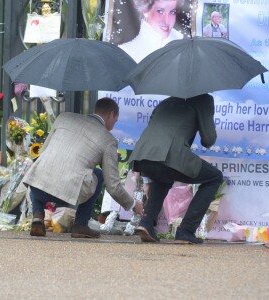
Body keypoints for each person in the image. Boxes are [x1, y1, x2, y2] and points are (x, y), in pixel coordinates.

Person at [23, 97, 143, 238]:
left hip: (38, 188)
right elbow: (113, 186)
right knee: (98, 174)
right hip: (68, 193)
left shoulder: (64, 118)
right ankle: (80, 225)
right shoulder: (108, 139)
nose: (113, 126)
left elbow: (43, 152)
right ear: (111, 114)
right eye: (115, 121)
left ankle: (37, 215)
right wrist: (133, 204)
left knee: (44, 164)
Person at [128, 94, 223, 244]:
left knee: (163, 179)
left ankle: (146, 223)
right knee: (214, 177)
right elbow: (208, 140)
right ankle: (186, 230)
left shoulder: (166, 101)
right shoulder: (204, 99)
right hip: (169, 155)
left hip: (142, 155)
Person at [119, 0, 184, 63]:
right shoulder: (125, 52)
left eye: (172, 12)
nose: (166, 21)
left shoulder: (184, 51)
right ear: (145, 11)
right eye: (160, 11)